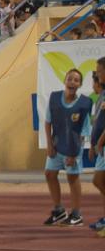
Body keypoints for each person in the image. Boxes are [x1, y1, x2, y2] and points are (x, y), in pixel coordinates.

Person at [43, 68, 93, 226]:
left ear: (80, 85)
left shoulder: (84, 104)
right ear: (65, 81)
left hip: (73, 148)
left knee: (72, 178)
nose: (72, 82)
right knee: (50, 174)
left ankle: (77, 214)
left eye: (76, 80)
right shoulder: (55, 98)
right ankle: (58, 211)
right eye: (70, 79)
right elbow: (47, 122)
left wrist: (74, 154)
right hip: (57, 146)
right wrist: (50, 145)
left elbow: (83, 133)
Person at [90, 58, 105, 233]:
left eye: (99, 71)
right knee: (100, 182)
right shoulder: (101, 96)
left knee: (98, 180)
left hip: (104, 144)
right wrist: (94, 143)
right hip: (101, 146)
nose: (98, 74)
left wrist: (99, 141)